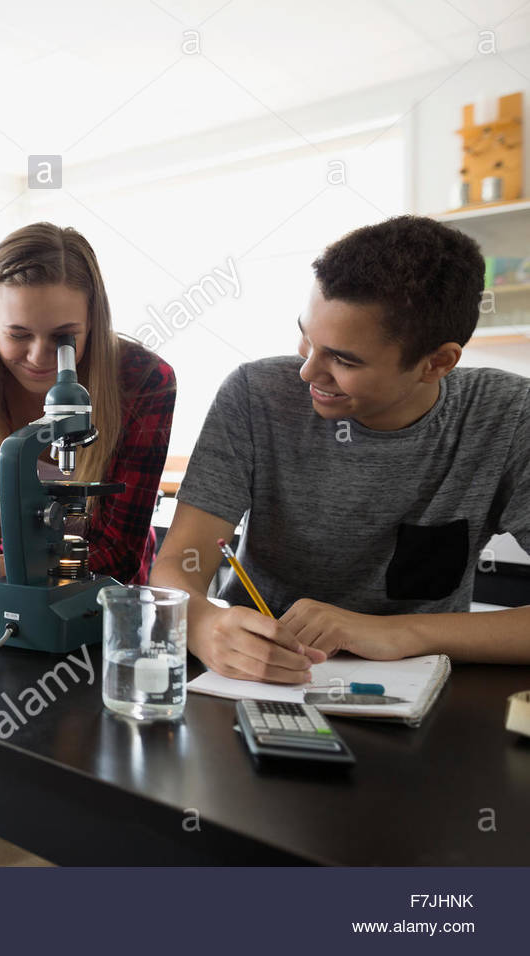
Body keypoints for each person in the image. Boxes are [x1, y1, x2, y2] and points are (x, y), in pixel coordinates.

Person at [151, 215, 530, 680]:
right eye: (307, 339)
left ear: (437, 362)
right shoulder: (255, 394)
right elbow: (177, 566)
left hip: (418, 697)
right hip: (251, 679)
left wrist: (401, 633)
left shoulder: (507, 418)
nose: (308, 372)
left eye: (344, 359)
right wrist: (202, 624)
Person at [0, 222, 177, 608]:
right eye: (18, 335)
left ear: (93, 321)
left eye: (63, 338)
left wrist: (0, 571)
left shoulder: (144, 380)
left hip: (103, 603)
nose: (39, 358)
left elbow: (119, 554)